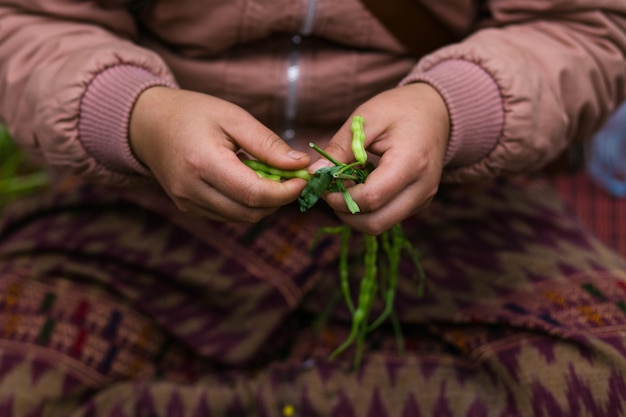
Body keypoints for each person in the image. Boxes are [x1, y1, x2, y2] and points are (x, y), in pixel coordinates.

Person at [0, 0, 625, 415]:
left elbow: (585, 26)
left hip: (451, 195)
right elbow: (26, 22)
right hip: (151, 195)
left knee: (603, 377)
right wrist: (136, 116)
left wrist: (453, 108)